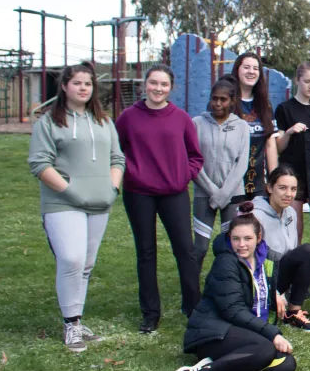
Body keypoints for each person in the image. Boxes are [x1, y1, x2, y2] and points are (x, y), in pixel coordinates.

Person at [28, 62, 125, 352]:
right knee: (70, 259)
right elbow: (39, 164)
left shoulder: (104, 122)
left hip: (99, 204)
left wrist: (112, 188)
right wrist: (71, 192)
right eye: (77, 83)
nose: (83, 88)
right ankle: (71, 325)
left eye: (88, 84)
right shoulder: (49, 122)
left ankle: (77, 318)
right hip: (62, 204)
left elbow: (117, 158)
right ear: (64, 86)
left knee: (85, 264)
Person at [165, 203, 296, 371]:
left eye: (247, 238)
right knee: (265, 349)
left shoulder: (263, 260)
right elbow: (233, 310)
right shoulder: (226, 263)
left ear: (258, 238)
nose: (241, 244)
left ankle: (220, 362)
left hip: (239, 329)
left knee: (286, 364)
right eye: (235, 239)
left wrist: (275, 294)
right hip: (213, 332)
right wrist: (273, 333)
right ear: (229, 239)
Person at [117, 64, 204, 334]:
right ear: (145, 84)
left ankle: (193, 308)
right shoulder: (128, 118)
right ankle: (150, 314)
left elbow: (195, 156)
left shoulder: (180, 118)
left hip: (174, 192)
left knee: (185, 250)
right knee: (146, 252)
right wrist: (131, 172)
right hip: (139, 193)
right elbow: (116, 152)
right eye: (153, 83)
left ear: (171, 88)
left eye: (163, 84)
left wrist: (183, 176)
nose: (158, 88)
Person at [251, 166, 310, 332]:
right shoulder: (255, 215)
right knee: (308, 251)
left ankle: (293, 311)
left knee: (308, 251)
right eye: (282, 188)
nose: (289, 194)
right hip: (258, 280)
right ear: (269, 188)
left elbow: (291, 254)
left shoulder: (291, 212)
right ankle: (269, 301)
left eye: (293, 189)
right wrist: (273, 291)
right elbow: (250, 262)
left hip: (278, 276)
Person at [191, 78, 250, 270]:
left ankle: (231, 283)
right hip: (204, 193)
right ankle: (192, 290)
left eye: (223, 99)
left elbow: (241, 164)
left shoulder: (241, 126)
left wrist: (224, 194)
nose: (218, 103)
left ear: (232, 101)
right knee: (199, 247)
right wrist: (213, 191)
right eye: (214, 98)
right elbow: (192, 160)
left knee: (232, 247)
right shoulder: (197, 124)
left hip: (232, 195)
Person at [274, 62, 310, 245]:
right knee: (293, 219)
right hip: (293, 171)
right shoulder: (284, 108)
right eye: (307, 81)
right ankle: (293, 256)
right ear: (297, 80)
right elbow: (278, 147)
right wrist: (289, 131)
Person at [229, 52, 278, 199]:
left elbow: (270, 145)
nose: (251, 71)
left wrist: (275, 178)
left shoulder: (265, 105)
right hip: (232, 181)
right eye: (246, 67)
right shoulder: (226, 102)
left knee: (257, 221)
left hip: (258, 182)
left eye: (256, 68)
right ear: (237, 70)